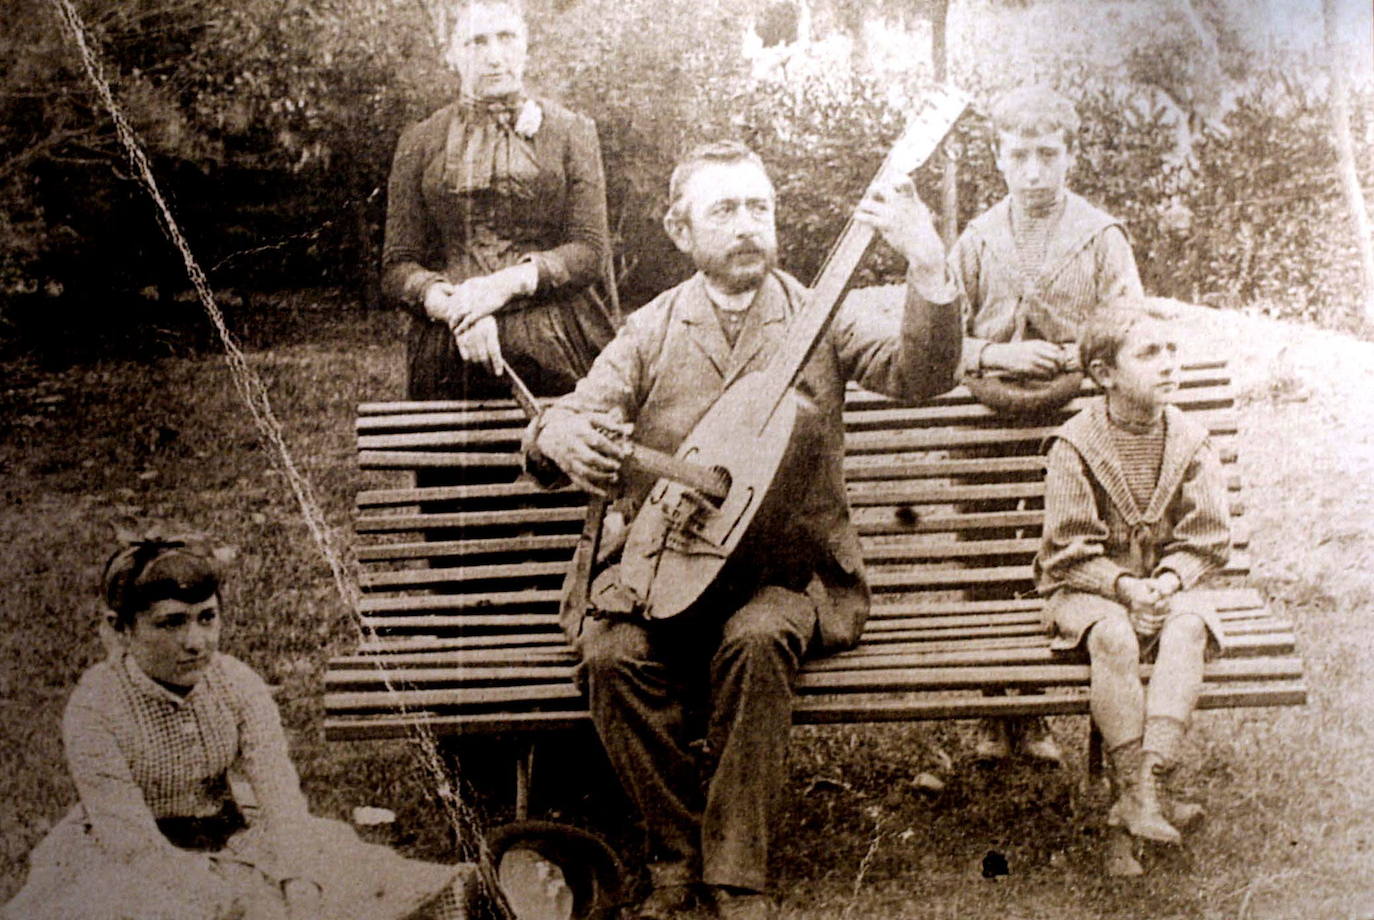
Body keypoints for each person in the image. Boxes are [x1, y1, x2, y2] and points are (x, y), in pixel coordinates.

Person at [523, 141, 962, 919]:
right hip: (671, 569)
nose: (747, 225)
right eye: (723, 210)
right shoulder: (653, 328)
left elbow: (921, 376)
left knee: (755, 642)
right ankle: (675, 852)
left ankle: (734, 871)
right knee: (609, 655)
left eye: (759, 206)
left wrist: (927, 259)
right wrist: (552, 437)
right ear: (679, 228)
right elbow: (576, 416)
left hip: (784, 576)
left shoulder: (819, 314)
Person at [3, 532, 487, 920]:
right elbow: (132, 843)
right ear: (120, 628)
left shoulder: (235, 684)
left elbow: (278, 799)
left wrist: (299, 882)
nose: (196, 642)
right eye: (170, 623)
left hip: (234, 834)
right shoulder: (96, 707)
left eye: (207, 618)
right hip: (130, 856)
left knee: (346, 881)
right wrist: (225, 900)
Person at [951, 85, 1145, 766]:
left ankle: (1047, 719)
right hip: (986, 419)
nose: (1034, 169)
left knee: (1058, 559)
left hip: (1074, 424)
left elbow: (1129, 325)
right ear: (999, 158)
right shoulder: (977, 239)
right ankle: (998, 709)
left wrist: (1075, 354)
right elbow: (942, 337)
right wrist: (996, 352)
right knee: (987, 562)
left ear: (1070, 155)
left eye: (1048, 154)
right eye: (1019, 155)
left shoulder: (1099, 234)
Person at [1034, 300, 1230, 875]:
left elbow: (1208, 539)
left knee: (1190, 626)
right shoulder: (1075, 445)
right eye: (1149, 354)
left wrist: (1168, 582)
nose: (1169, 364)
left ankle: (1146, 786)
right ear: (1104, 374)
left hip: (1169, 588)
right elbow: (1067, 551)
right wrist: (1123, 587)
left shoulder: (1192, 441)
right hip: (1091, 588)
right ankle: (1133, 790)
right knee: (1114, 638)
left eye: (1172, 351)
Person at [382, 0, 615, 402]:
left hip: (556, 341)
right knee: (455, 463)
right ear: (451, 54)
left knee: (569, 454)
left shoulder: (571, 132)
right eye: (476, 42)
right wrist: (456, 309)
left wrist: (503, 285)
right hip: (449, 347)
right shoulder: (420, 141)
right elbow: (397, 266)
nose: (494, 57)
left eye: (506, 38)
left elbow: (589, 251)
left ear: (526, 45)